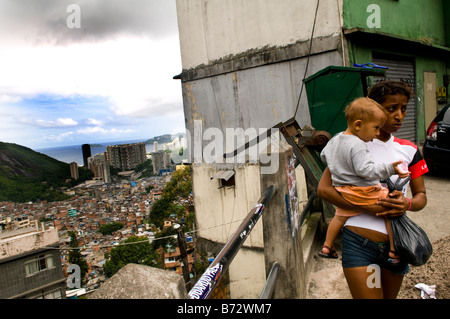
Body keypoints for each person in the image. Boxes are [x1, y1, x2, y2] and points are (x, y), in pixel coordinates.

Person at [317, 80, 428, 299]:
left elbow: (421, 197)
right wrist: (369, 208)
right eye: (391, 109)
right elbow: (324, 190)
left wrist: (405, 204)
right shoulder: (350, 143)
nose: (399, 115)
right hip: (359, 244)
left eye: (403, 109)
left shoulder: (409, 149)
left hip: (395, 247)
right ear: (374, 109)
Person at [318, 97, 410, 265]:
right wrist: (390, 168)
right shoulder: (358, 144)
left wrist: (340, 167)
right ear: (358, 125)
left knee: (339, 217)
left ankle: (326, 247)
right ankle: (393, 250)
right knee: (390, 209)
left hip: (343, 191)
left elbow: (323, 156)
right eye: (376, 128)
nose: (376, 134)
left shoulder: (336, 139)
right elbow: (366, 171)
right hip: (362, 191)